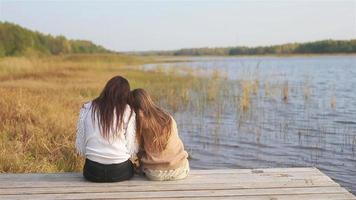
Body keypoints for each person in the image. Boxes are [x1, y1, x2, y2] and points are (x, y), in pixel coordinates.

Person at [75, 76, 137, 182]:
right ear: (125, 94)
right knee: (133, 167)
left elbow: (81, 142)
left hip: (92, 172)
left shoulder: (87, 107)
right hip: (120, 172)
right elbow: (131, 146)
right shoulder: (127, 110)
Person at [131, 88, 189, 181]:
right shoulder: (167, 118)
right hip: (180, 171)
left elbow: (136, 149)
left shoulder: (138, 123)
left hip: (154, 174)